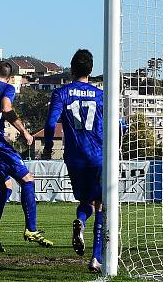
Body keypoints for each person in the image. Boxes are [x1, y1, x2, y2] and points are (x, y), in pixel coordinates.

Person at [0, 61, 54, 251]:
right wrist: (24, 131)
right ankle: (31, 229)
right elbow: (6, 109)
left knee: (5, 186)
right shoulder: (6, 88)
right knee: (27, 180)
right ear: (9, 77)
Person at [42, 49, 104, 273]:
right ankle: (96, 258)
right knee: (101, 205)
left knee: (85, 202)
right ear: (91, 69)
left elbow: (50, 124)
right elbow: (118, 124)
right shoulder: (100, 95)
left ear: (71, 67)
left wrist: (48, 146)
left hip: (74, 157)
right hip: (97, 155)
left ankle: (81, 222)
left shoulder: (61, 93)